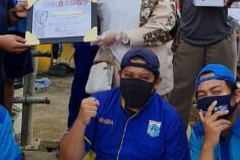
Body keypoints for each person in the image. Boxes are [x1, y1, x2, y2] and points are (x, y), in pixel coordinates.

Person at [58, 48, 189, 160]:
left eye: (144, 78)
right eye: (129, 75)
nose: (135, 82)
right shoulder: (98, 104)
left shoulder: (169, 118)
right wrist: (80, 122)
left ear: (156, 82)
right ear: (120, 75)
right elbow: (68, 157)